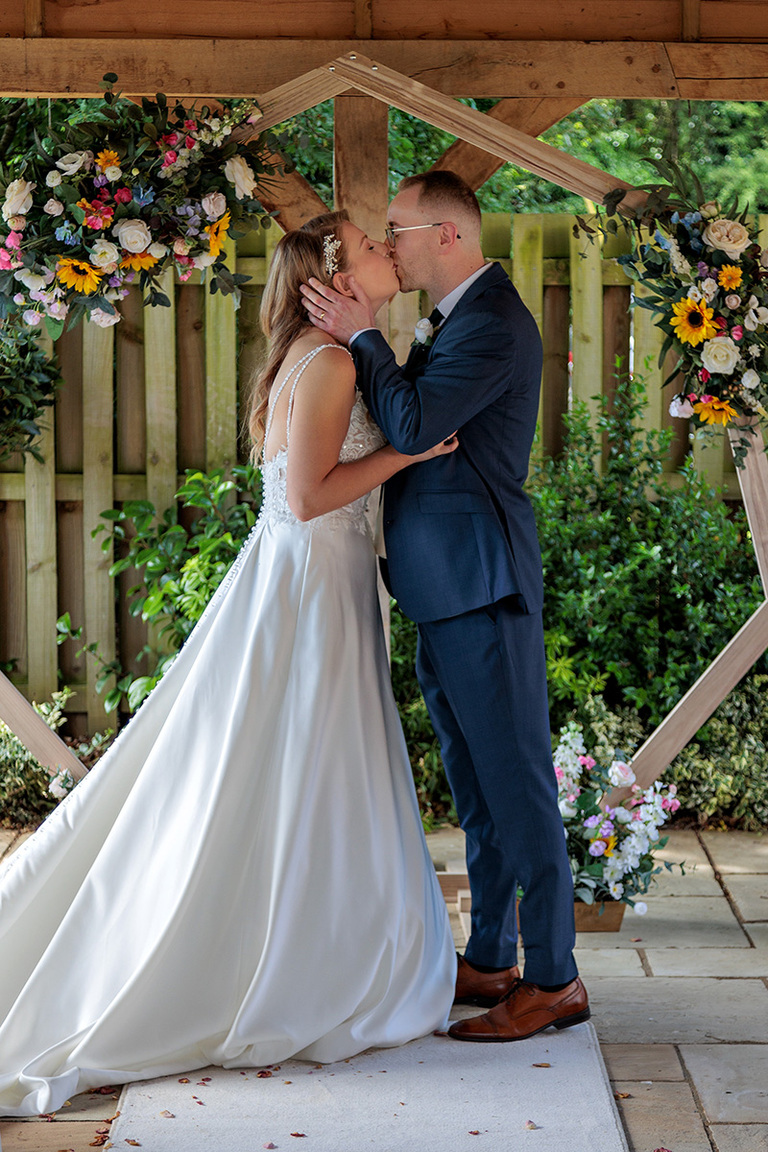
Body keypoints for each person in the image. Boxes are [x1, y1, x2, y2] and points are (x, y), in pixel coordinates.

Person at [0, 213, 458, 1118]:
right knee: (303, 765)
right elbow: (309, 494)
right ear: (333, 276)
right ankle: (292, 958)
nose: (385, 251)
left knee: (289, 767)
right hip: (313, 582)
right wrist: (410, 451)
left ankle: (310, 931)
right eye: (370, 244)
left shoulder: (326, 354)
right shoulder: (327, 364)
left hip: (306, 576)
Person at [300, 171, 589, 1042]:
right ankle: (494, 953)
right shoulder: (457, 316)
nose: (391, 244)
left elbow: (419, 427)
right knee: (476, 788)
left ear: (448, 236)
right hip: (442, 584)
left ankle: (555, 978)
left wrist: (362, 339)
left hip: (482, 583)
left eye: (400, 229)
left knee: (518, 787)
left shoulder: (493, 323)